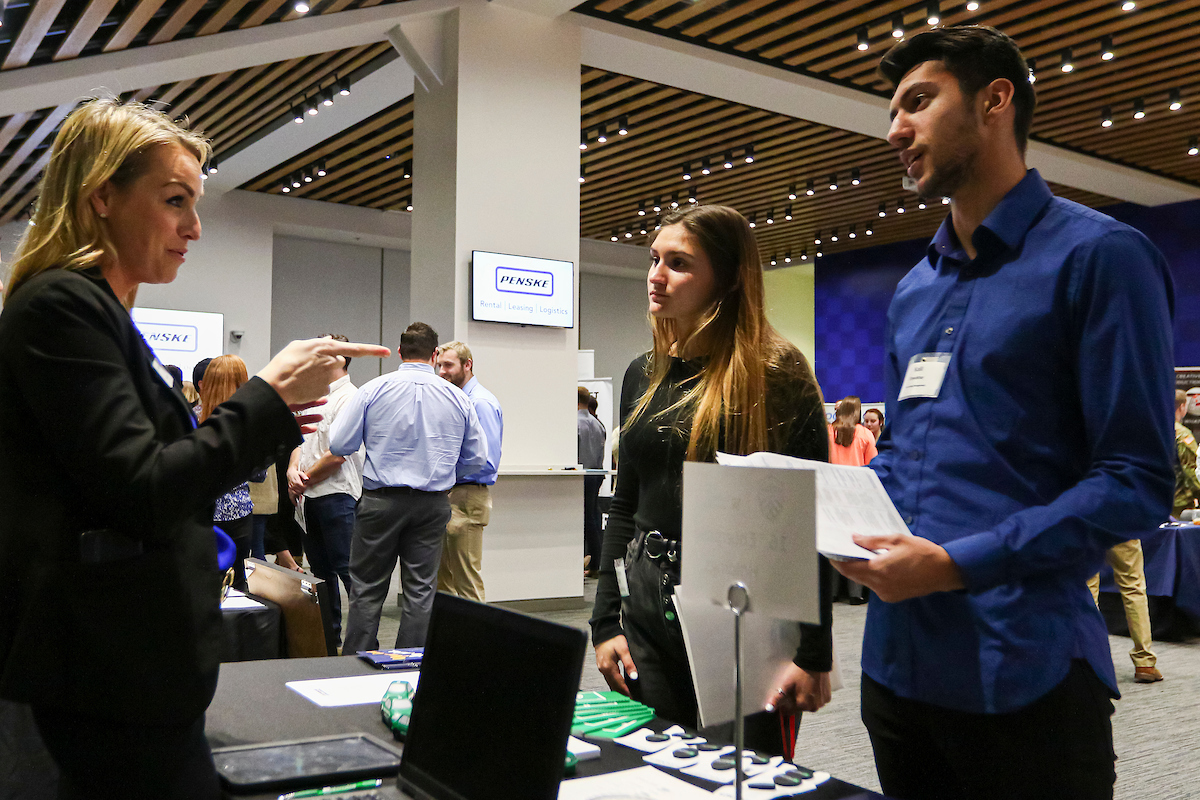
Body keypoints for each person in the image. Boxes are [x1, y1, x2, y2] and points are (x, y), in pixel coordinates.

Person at [0, 97, 388, 799]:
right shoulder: (60, 307)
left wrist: (268, 408)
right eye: (175, 200)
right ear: (103, 198)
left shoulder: (97, 314)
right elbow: (145, 492)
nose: (196, 227)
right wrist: (266, 393)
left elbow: (167, 479)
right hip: (107, 668)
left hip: (131, 667)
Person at [833, 27, 1175, 800]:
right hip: (895, 673)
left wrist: (957, 564)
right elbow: (902, 453)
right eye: (893, 110)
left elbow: (1137, 480)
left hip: (1023, 674)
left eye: (918, 102)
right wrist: (839, 516)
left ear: (995, 101)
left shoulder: (1101, 259)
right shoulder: (915, 288)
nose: (895, 129)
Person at [589, 204, 833, 754]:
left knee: (742, 770)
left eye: (678, 263)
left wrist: (814, 653)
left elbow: (807, 520)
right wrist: (605, 621)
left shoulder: (776, 374)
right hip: (647, 602)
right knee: (653, 763)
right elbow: (624, 503)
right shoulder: (642, 372)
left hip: (741, 609)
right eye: (654, 259)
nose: (656, 275)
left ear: (724, 278)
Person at [333, 322, 487, 650]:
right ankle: (409, 666)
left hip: (379, 503)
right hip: (432, 505)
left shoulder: (373, 390)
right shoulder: (459, 399)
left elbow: (340, 443)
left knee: (367, 589)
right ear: (434, 355)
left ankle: (355, 666)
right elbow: (477, 459)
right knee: (421, 592)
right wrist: (443, 466)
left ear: (400, 351)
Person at [288, 333, 363, 648]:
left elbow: (338, 454)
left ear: (340, 359)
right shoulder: (312, 396)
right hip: (309, 501)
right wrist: (293, 469)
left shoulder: (350, 397)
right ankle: (328, 646)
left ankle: (358, 649)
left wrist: (303, 476)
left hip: (338, 498)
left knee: (350, 577)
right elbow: (299, 441)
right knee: (320, 579)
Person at [435, 340, 503, 602]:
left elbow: (485, 461)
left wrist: (445, 473)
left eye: (448, 365)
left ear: (468, 365)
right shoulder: (458, 400)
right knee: (444, 580)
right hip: (451, 496)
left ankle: (478, 643)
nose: (442, 371)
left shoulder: (480, 403)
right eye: (439, 365)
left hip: (466, 496)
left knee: (466, 583)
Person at [200, 354, 258, 591]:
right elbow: (258, 474)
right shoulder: (248, 422)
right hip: (239, 514)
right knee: (237, 584)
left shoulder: (191, 417)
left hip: (200, 514)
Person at [577, 385, 606, 576]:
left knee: (584, 519)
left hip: (581, 477)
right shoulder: (598, 425)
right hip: (596, 475)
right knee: (593, 517)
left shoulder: (574, 424)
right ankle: (595, 562)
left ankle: (590, 563)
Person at [828, 396, 878, 467]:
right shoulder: (866, 433)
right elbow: (872, 464)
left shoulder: (827, 431)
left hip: (830, 476)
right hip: (857, 477)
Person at [1173, 389, 1200, 518]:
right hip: (1179, 500)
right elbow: (1191, 470)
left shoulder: (1157, 429)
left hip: (1157, 496)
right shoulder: (1182, 434)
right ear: (1182, 406)